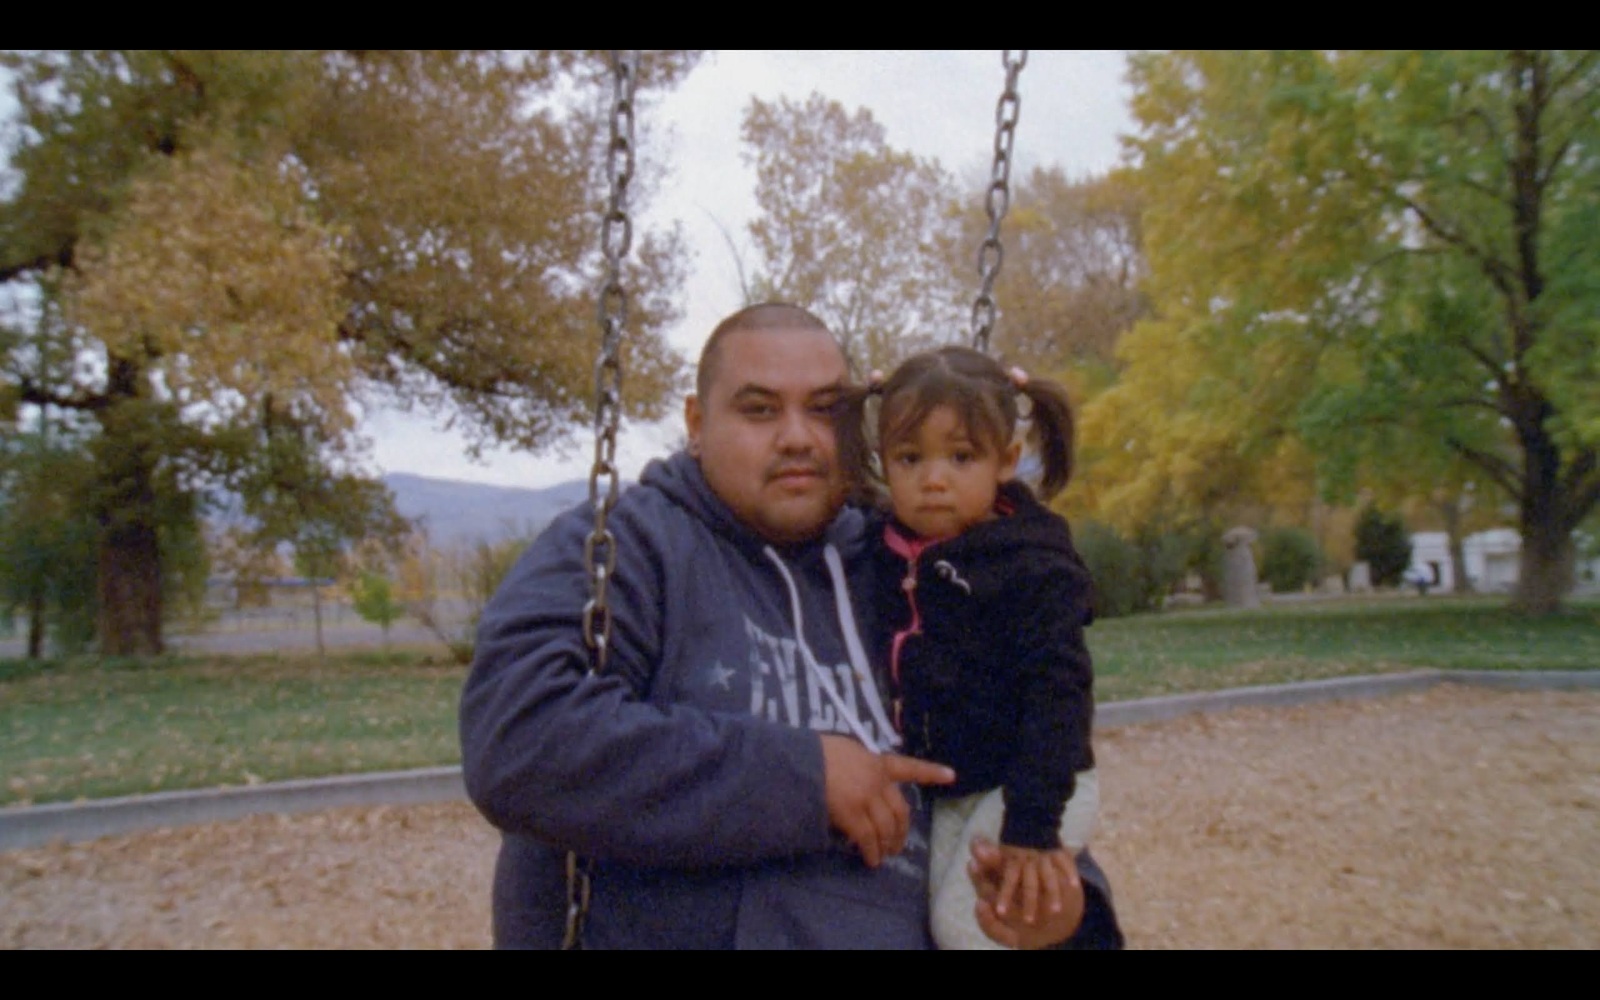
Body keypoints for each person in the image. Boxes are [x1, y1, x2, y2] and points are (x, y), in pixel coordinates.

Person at [458, 303, 1122, 949]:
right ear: (696, 422)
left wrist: (1059, 918)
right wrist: (805, 779)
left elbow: (1021, 760)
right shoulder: (626, 548)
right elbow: (519, 739)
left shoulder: (918, 571)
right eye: (759, 409)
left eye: (827, 410)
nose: (798, 436)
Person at [835, 345, 1102, 950]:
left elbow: (1059, 699)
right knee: (925, 917)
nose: (934, 479)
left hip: (1031, 785)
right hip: (955, 786)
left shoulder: (1031, 565)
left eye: (961, 457)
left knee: (967, 927)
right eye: (910, 457)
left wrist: (1032, 827)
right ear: (884, 463)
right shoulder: (884, 544)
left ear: (1006, 460)